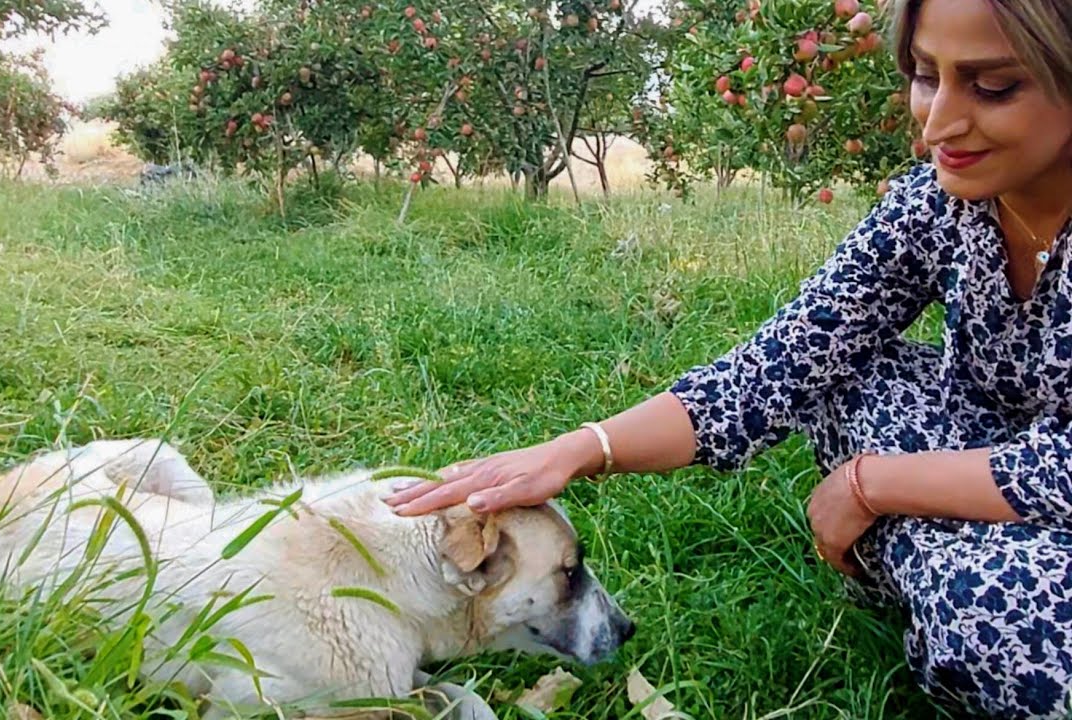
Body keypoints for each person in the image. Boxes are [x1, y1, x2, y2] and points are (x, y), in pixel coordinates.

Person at [384, 0, 1072, 716]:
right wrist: (581, 449)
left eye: (993, 87)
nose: (937, 124)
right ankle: (949, 566)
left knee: (994, 625)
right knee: (842, 374)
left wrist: (870, 485)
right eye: (926, 76)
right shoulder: (939, 204)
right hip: (991, 445)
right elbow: (785, 359)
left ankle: (944, 584)